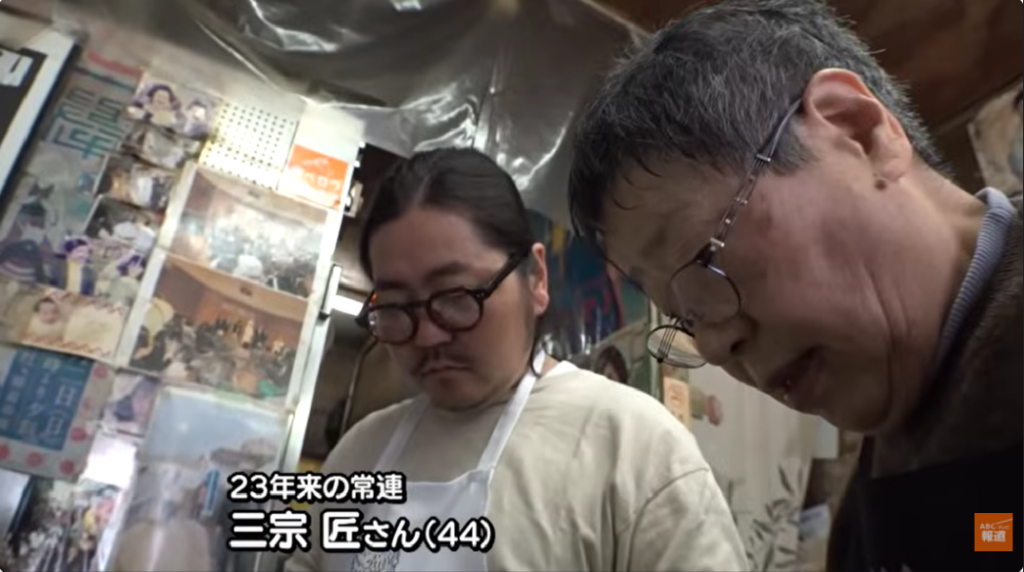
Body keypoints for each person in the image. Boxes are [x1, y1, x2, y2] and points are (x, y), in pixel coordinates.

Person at [566, 1, 1022, 571]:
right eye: (685, 317)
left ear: (858, 131)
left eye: (703, 264)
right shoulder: (870, 505)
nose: (715, 347)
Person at [285, 148, 745, 572]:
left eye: (457, 296)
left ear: (536, 278)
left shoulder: (632, 444)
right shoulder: (359, 454)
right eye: (398, 307)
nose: (427, 335)